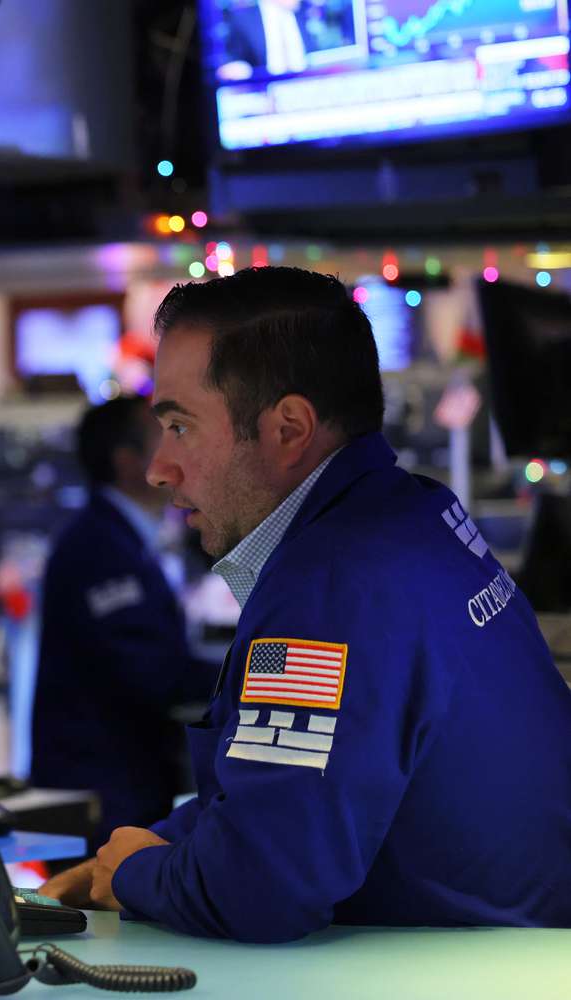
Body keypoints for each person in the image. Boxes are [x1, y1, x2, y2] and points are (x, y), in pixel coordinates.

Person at [43, 266, 571, 941]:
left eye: (179, 427)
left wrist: (137, 874)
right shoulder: (415, 512)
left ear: (289, 429)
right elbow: (279, 792)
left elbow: (260, 887)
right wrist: (151, 844)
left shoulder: (327, 585)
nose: (158, 468)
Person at [31, 397, 217, 846]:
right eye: (167, 436)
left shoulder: (121, 538)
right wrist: (251, 677)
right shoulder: (98, 549)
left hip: (122, 781)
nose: (181, 454)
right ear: (129, 461)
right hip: (101, 793)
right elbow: (151, 672)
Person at [219, 0, 310, 79]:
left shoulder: (308, 11)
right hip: (263, 90)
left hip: (309, 83)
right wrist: (239, 67)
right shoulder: (243, 19)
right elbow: (232, 59)